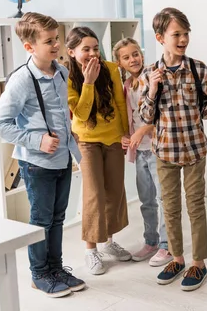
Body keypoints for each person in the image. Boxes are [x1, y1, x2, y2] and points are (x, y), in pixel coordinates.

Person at [139, 7, 207, 291]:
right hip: (165, 153)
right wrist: (152, 91)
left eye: (186, 33)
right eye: (176, 34)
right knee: (170, 208)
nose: (183, 39)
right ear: (160, 37)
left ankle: (198, 263)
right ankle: (176, 258)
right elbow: (144, 117)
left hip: (193, 151)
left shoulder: (199, 69)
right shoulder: (149, 73)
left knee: (195, 207)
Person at [0, 12, 85, 297]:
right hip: (37, 163)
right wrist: (36, 140)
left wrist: (71, 136)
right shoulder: (21, 80)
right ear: (29, 46)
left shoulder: (61, 72)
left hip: (63, 159)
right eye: (49, 41)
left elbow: (60, 113)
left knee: (58, 218)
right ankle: (39, 274)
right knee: (41, 220)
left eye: (57, 38)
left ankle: (55, 269)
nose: (56, 45)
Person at [65, 26, 132, 275]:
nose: (93, 53)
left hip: (113, 138)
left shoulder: (112, 69)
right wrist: (89, 83)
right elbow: (80, 114)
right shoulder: (68, 77)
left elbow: (119, 104)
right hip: (86, 140)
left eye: (96, 48)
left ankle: (108, 243)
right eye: (86, 49)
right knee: (94, 194)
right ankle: (90, 251)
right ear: (72, 52)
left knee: (114, 191)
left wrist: (124, 133)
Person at [113, 37, 173, 267]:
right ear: (120, 63)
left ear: (141, 53)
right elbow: (129, 118)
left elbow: (164, 114)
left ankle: (167, 246)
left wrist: (143, 131)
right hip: (140, 152)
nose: (133, 59)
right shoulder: (127, 86)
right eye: (126, 57)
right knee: (147, 200)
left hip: (158, 148)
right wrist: (127, 136)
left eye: (135, 53)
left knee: (164, 198)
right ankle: (151, 242)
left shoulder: (154, 76)